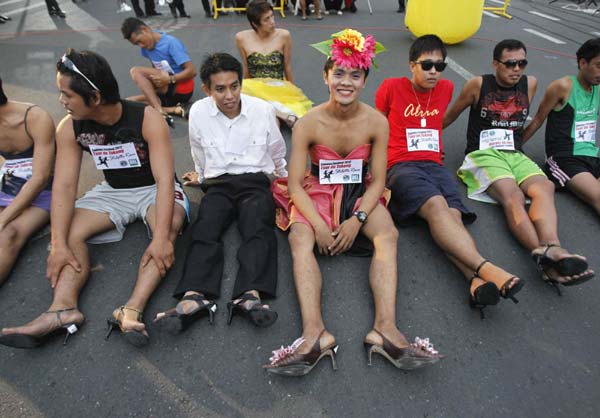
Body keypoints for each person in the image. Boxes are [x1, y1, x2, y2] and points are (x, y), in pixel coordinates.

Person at [265, 29, 442, 376]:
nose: (346, 82)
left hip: (360, 193)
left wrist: (357, 218)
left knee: (388, 234)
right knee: (299, 238)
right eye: (339, 74)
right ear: (326, 76)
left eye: (355, 75)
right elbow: (297, 185)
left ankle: (385, 328)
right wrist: (316, 225)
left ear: (364, 80)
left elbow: (378, 180)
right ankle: (315, 333)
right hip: (315, 191)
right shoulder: (308, 123)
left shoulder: (377, 121)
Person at [0, 49, 188, 349]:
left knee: (169, 225)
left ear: (95, 97)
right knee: (68, 232)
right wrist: (59, 244)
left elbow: (165, 181)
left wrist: (163, 237)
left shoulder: (147, 119)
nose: (61, 101)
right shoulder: (70, 127)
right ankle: (62, 309)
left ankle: (132, 308)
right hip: (111, 192)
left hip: (151, 187)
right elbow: (63, 187)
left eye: (67, 95)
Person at [376, 34, 522, 319]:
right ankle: (486, 267)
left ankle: (475, 282)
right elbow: (376, 127)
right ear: (412, 65)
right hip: (401, 165)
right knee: (437, 206)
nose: (433, 71)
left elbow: (437, 122)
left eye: (439, 66)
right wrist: (376, 173)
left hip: (435, 164)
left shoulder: (446, 88)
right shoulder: (391, 87)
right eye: (427, 65)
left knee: (453, 217)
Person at [443, 39, 594, 293]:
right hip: (484, 153)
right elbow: (450, 116)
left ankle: (552, 247)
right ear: (495, 63)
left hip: (514, 153)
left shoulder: (530, 84)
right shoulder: (478, 85)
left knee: (544, 186)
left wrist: (518, 144)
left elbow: (530, 121)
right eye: (510, 63)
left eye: (521, 63)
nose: (516, 69)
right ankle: (546, 261)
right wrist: (418, 143)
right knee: (512, 194)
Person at [154, 52, 286, 333]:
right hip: (217, 184)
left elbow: (276, 149)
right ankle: (194, 296)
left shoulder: (262, 110)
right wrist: (201, 177)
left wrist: (284, 179)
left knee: (258, 228)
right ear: (207, 89)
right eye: (220, 89)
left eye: (234, 86)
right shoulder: (199, 112)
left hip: (254, 181)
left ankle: (249, 295)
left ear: (241, 83)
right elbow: (197, 149)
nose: (229, 95)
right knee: (205, 229)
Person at [522, 39, 600, 217]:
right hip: (565, 159)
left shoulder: (598, 89)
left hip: (593, 156)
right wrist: (515, 148)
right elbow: (538, 119)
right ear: (582, 63)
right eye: (598, 66)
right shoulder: (563, 86)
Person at [0, 77, 55, 287]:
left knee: (8, 234)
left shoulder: (34, 117)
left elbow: (40, 178)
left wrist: (4, 218)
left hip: (44, 190)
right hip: (10, 184)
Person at [235, 1, 312, 129]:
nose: (272, 22)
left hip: (277, 86)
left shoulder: (284, 35)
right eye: (266, 19)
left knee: (300, 120)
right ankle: (284, 116)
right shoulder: (241, 38)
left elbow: (287, 66)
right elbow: (246, 67)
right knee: (267, 118)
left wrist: (294, 91)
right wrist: (246, 92)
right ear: (255, 23)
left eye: (272, 16)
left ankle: (282, 115)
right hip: (255, 87)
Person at [121, 18, 197, 126]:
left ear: (145, 29)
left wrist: (170, 79)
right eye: (136, 44)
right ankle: (173, 109)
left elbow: (192, 71)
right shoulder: (146, 49)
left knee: (136, 71)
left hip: (182, 88)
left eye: (139, 41)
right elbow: (156, 69)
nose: (141, 46)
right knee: (127, 103)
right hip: (166, 90)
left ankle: (159, 110)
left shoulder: (170, 43)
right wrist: (153, 84)